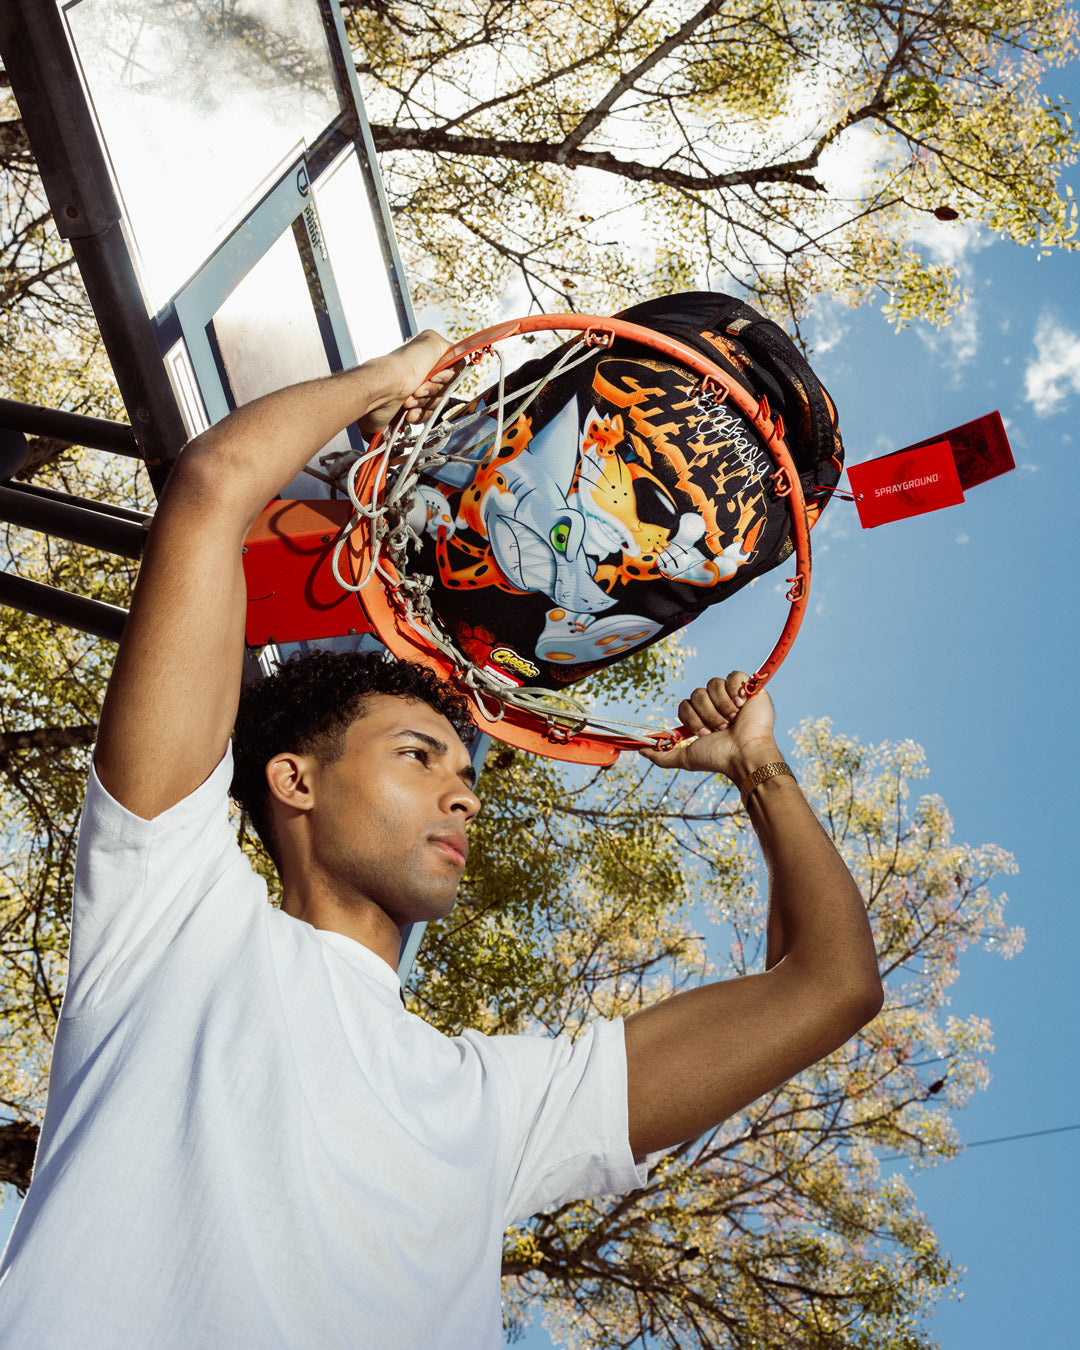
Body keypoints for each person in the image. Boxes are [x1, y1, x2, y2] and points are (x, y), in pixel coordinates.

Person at [0, 332, 883, 1347]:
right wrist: (393, 380)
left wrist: (756, 767)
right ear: (294, 781)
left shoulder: (495, 1110)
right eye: (420, 757)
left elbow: (833, 985)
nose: (462, 798)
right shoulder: (171, 916)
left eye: (464, 776)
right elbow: (214, 485)